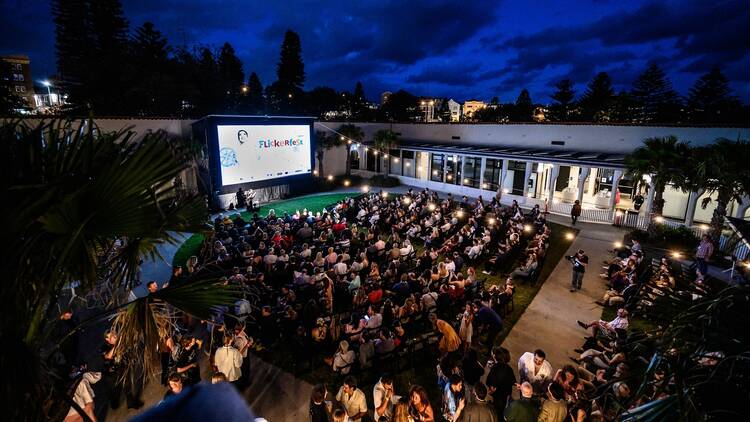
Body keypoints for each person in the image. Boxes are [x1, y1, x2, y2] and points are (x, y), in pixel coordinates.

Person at [485, 347, 515, 414]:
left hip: (498, 395)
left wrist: (491, 390)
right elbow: (513, 381)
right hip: (506, 393)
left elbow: (491, 382)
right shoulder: (509, 368)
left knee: (497, 410)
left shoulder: (495, 369)